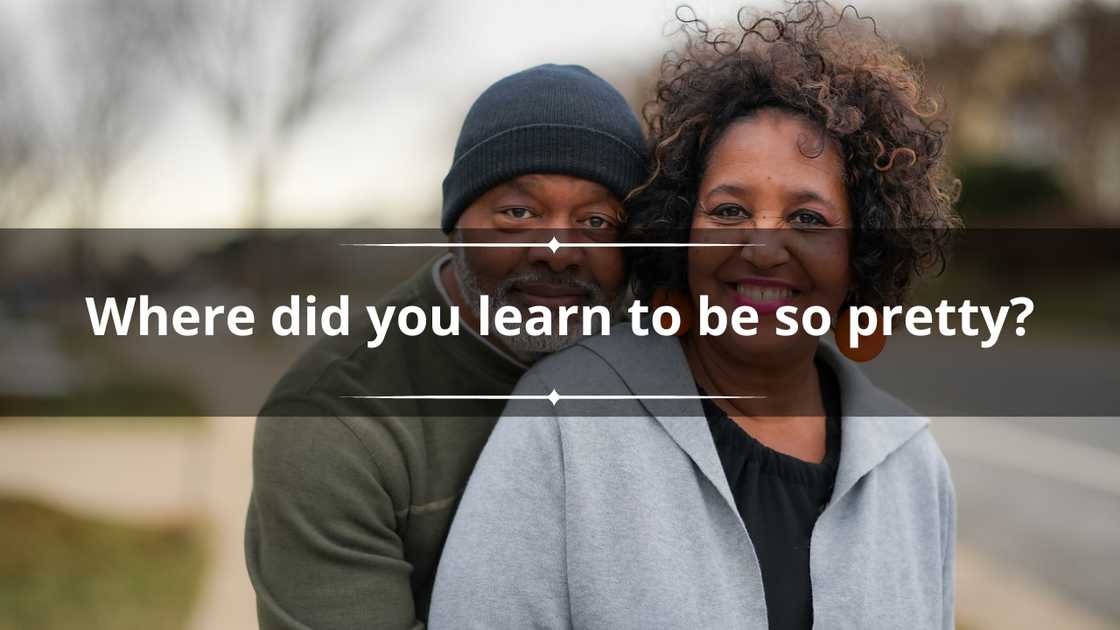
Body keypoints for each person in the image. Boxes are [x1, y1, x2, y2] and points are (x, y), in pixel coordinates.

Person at [430, 4, 960, 629]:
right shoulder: (562, 416)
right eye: (730, 212)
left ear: (861, 254)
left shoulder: (911, 464)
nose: (763, 250)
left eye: (809, 220)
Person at [245, 63, 647, 630]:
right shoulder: (333, 419)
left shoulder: (667, 355)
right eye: (518, 213)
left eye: (598, 220)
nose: (557, 251)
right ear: (456, 222)